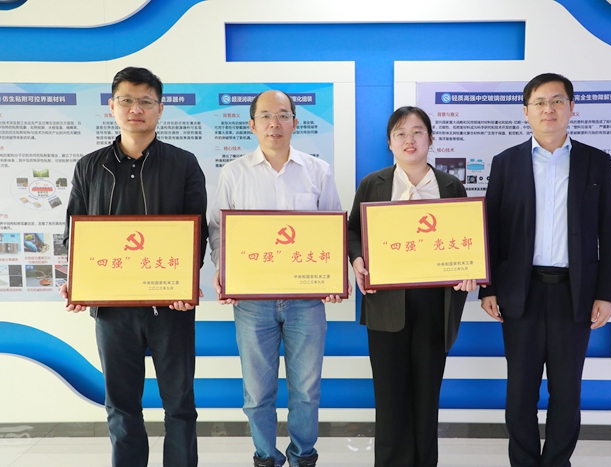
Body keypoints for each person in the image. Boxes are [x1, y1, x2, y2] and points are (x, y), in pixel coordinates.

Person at [60, 66, 208, 467]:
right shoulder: (90, 166)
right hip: (112, 310)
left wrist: (186, 282)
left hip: (170, 308)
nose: (135, 109)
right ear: (112, 107)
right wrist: (77, 281)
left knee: (180, 404)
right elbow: (74, 232)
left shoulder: (183, 164)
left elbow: (197, 232)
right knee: (122, 405)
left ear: (160, 109)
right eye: (126, 100)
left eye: (145, 101)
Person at [479, 73, 611, 467]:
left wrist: (607, 293)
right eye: (540, 102)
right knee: (520, 392)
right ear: (526, 111)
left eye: (557, 101)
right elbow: (492, 229)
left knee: (567, 391)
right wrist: (488, 288)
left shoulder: (596, 162)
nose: (549, 109)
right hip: (520, 292)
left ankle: (558, 462)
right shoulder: (506, 162)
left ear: (572, 108)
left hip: (574, 294)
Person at [208, 90, 348, 467]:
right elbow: (219, 230)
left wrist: (333, 278)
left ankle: (303, 456)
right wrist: (224, 268)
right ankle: (265, 456)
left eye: (283, 115)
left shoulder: (318, 171)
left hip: (306, 301)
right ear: (252, 124)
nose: (275, 123)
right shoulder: (234, 172)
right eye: (266, 116)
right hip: (252, 301)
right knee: (257, 393)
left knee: (306, 391)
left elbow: (333, 228)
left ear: (295, 123)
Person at [347, 106, 477, 467]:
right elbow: (353, 230)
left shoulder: (450, 186)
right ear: (389, 142)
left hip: (435, 305)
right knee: (389, 398)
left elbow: (467, 237)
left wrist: (469, 270)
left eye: (418, 132)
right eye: (400, 133)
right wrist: (357, 260)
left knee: (426, 395)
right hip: (386, 304)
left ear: (430, 139)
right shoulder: (373, 184)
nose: (410, 140)